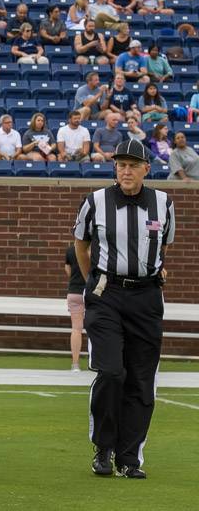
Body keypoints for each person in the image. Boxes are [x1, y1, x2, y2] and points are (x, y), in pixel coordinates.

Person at [72, 139, 175, 479]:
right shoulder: (96, 202)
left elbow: (163, 248)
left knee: (142, 380)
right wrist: (94, 283)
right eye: (121, 164)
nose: (126, 170)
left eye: (133, 165)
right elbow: (81, 244)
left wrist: (151, 272)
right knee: (112, 372)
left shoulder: (164, 203)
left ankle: (129, 458)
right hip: (107, 293)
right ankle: (103, 448)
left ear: (148, 167)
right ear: (114, 168)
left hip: (146, 298)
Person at [64, 242, 85, 373]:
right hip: (91, 292)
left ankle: (75, 364)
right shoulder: (96, 249)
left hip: (74, 291)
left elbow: (68, 270)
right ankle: (96, 363)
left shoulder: (71, 250)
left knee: (76, 329)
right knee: (97, 329)